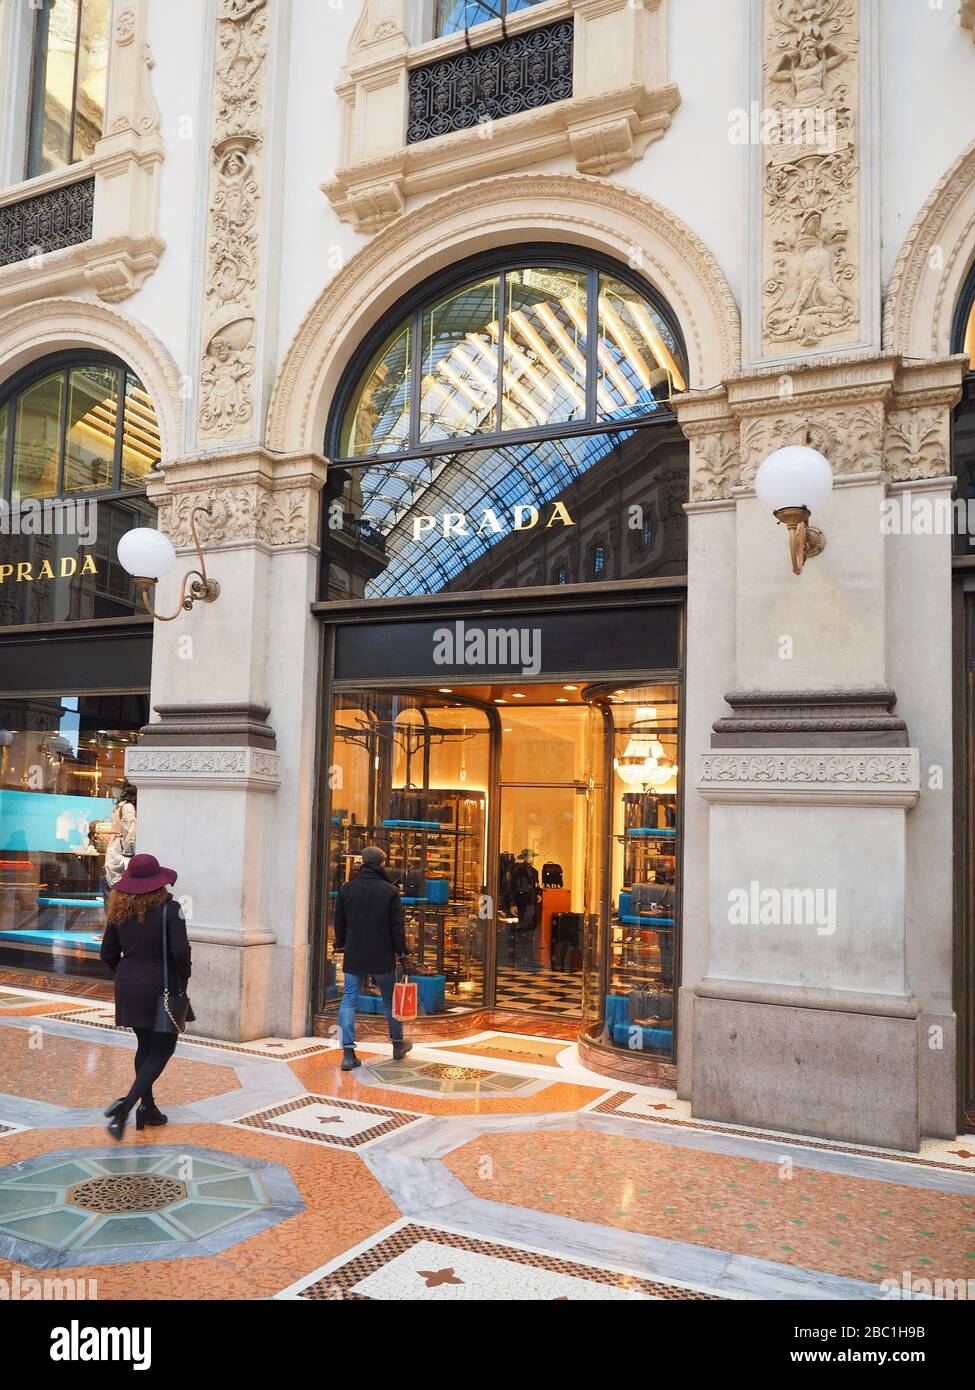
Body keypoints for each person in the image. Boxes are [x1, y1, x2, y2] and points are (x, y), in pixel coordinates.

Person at [99, 853, 192, 1141]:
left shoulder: (119, 912)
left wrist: (128, 975)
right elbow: (180, 951)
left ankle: (148, 1108)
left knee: (145, 1045)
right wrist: (184, 976)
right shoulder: (171, 908)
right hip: (162, 987)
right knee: (163, 1049)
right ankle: (126, 1106)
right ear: (159, 883)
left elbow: (107, 954)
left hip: (129, 987)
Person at [334, 845, 411, 1072]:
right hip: (382, 954)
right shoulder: (389, 891)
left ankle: (348, 1053)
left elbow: (339, 920)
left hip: (355, 952)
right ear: (382, 863)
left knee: (349, 1000)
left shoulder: (347, 889)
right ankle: (397, 1044)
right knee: (389, 1001)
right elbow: (397, 927)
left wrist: (340, 943)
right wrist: (403, 953)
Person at [103, 784, 137, 900]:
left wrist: (129, 851)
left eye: (116, 788)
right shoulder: (123, 806)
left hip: (119, 846)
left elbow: (129, 829)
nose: (113, 791)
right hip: (118, 845)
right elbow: (128, 829)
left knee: (116, 878)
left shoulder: (125, 806)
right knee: (114, 877)